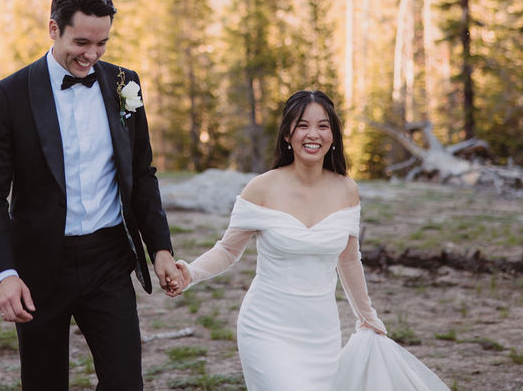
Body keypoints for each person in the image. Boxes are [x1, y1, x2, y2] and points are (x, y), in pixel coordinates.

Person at [0, 0, 180, 391]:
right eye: (82, 42)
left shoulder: (125, 84)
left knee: (125, 384)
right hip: (39, 267)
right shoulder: (9, 96)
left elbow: (141, 174)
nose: (92, 55)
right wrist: (4, 272)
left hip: (108, 259)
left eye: (102, 44)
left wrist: (160, 248)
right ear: (54, 29)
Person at [170, 90, 448, 391]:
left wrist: (367, 317)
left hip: (322, 334)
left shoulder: (347, 190)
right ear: (287, 134)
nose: (312, 134)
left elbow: (349, 259)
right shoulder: (261, 188)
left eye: (323, 126)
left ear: (333, 135)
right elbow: (227, 250)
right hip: (266, 328)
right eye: (302, 125)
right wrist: (191, 272)